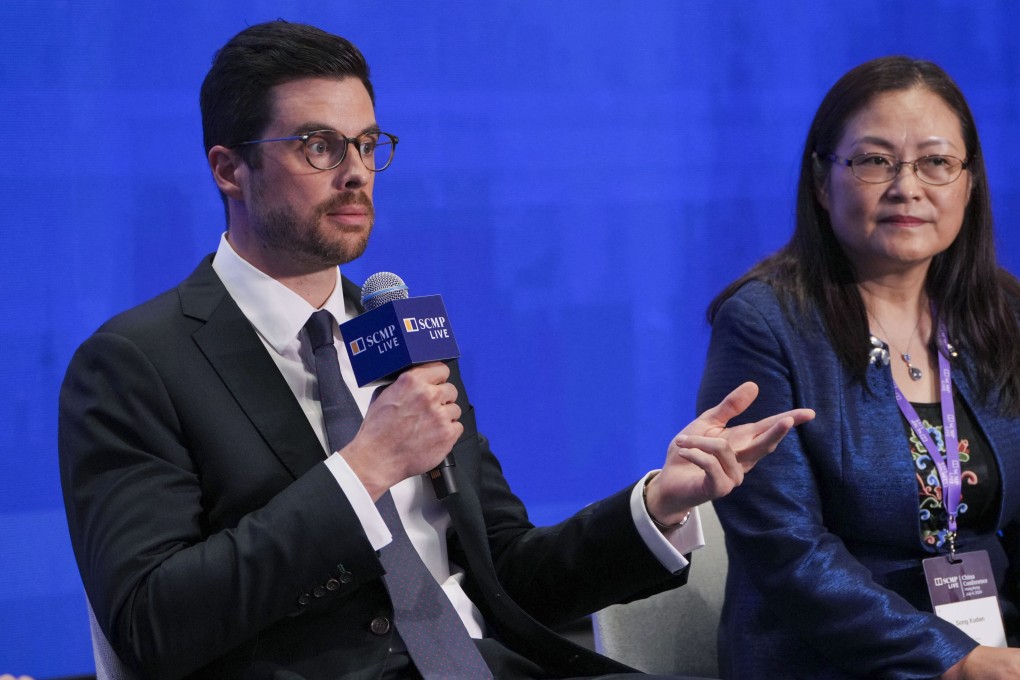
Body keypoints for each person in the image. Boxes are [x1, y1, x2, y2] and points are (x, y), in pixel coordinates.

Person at [58, 20, 812, 680]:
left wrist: (657, 504)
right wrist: (364, 470)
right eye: (319, 146)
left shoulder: (400, 332)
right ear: (229, 169)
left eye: (366, 144)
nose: (356, 172)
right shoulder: (136, 363)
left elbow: (508, 571)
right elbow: (151, 624)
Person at [697, 55, 1020, 680]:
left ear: (969, 183)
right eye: (875, 161)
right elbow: (787, 549)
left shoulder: (1004, 314)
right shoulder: (764, 323)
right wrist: (956, 662)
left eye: (936, 162)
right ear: (823, 182)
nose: (908, 187)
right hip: (827, 662)